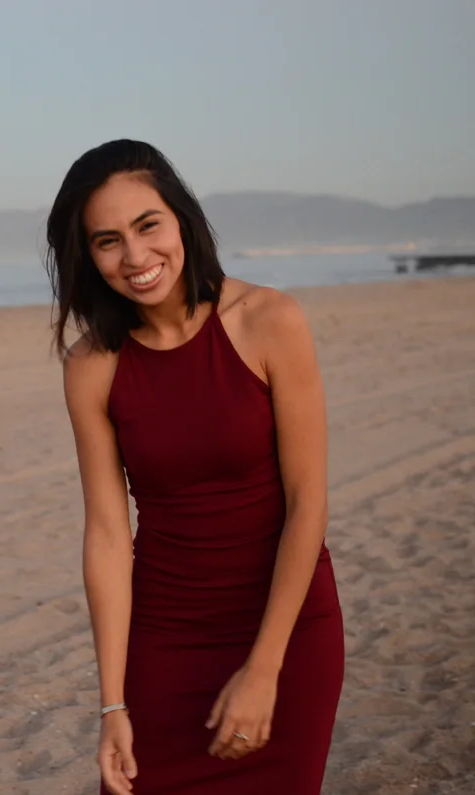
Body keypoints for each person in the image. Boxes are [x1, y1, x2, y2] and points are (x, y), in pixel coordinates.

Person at [45, 139, 344, 794]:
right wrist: (113, 704)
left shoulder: (269, 320)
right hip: (165, 640)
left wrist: (264, 668)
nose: (135, 256)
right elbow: (107, 534)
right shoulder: (91, 365)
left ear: (181, 219)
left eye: (147, 225)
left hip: (287, 629)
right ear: (87, 256)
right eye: (107, 241)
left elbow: (307, 505)